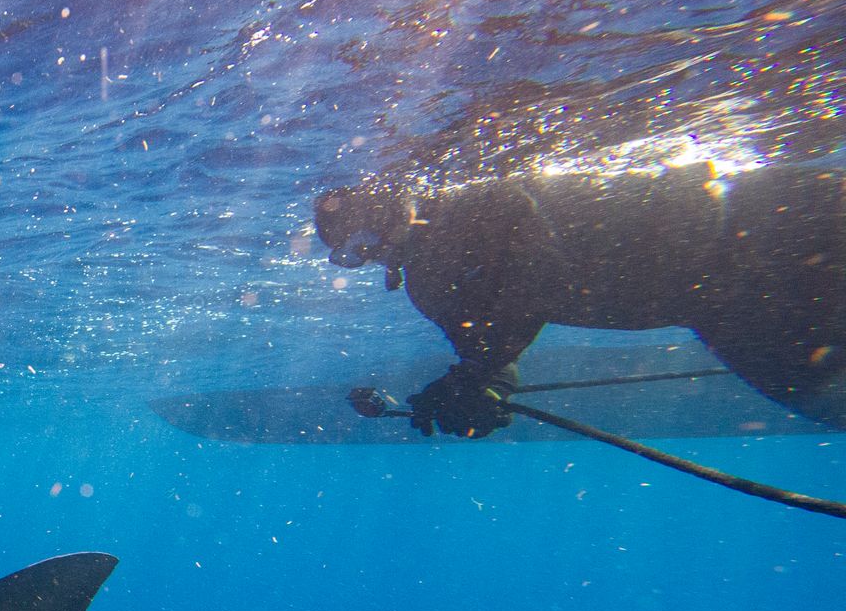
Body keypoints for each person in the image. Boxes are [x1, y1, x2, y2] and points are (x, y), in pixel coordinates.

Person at [313, 163, 846, 436]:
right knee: (829, 403)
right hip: (720, 303)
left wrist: (474, 376)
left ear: (394, 206)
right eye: (352, 255)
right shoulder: (431, 291)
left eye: (367, 234)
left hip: (753, 216)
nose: (374, 252)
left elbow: (537, 272)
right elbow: (500, 358)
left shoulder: (480, 200)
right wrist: (480, 397)